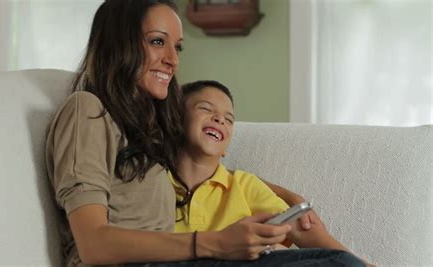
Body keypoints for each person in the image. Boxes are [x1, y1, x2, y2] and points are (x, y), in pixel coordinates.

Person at [46, 1, 364, 266]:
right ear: (119, 43)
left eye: (178, 47)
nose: (172, 60)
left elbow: (204, 166)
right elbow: (94, 245)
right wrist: (214, 243)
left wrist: (289, 197)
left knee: (335, 261)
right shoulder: (87, 110)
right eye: (158, 41)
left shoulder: (143, 132)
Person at [170, 80, 370, 264]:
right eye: (205, 108)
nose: (220, 120)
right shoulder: (154, 180)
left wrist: (361, 264)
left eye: (229, 120)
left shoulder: (243, 184)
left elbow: (300, 228)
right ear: (175, 121)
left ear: (225, 149)